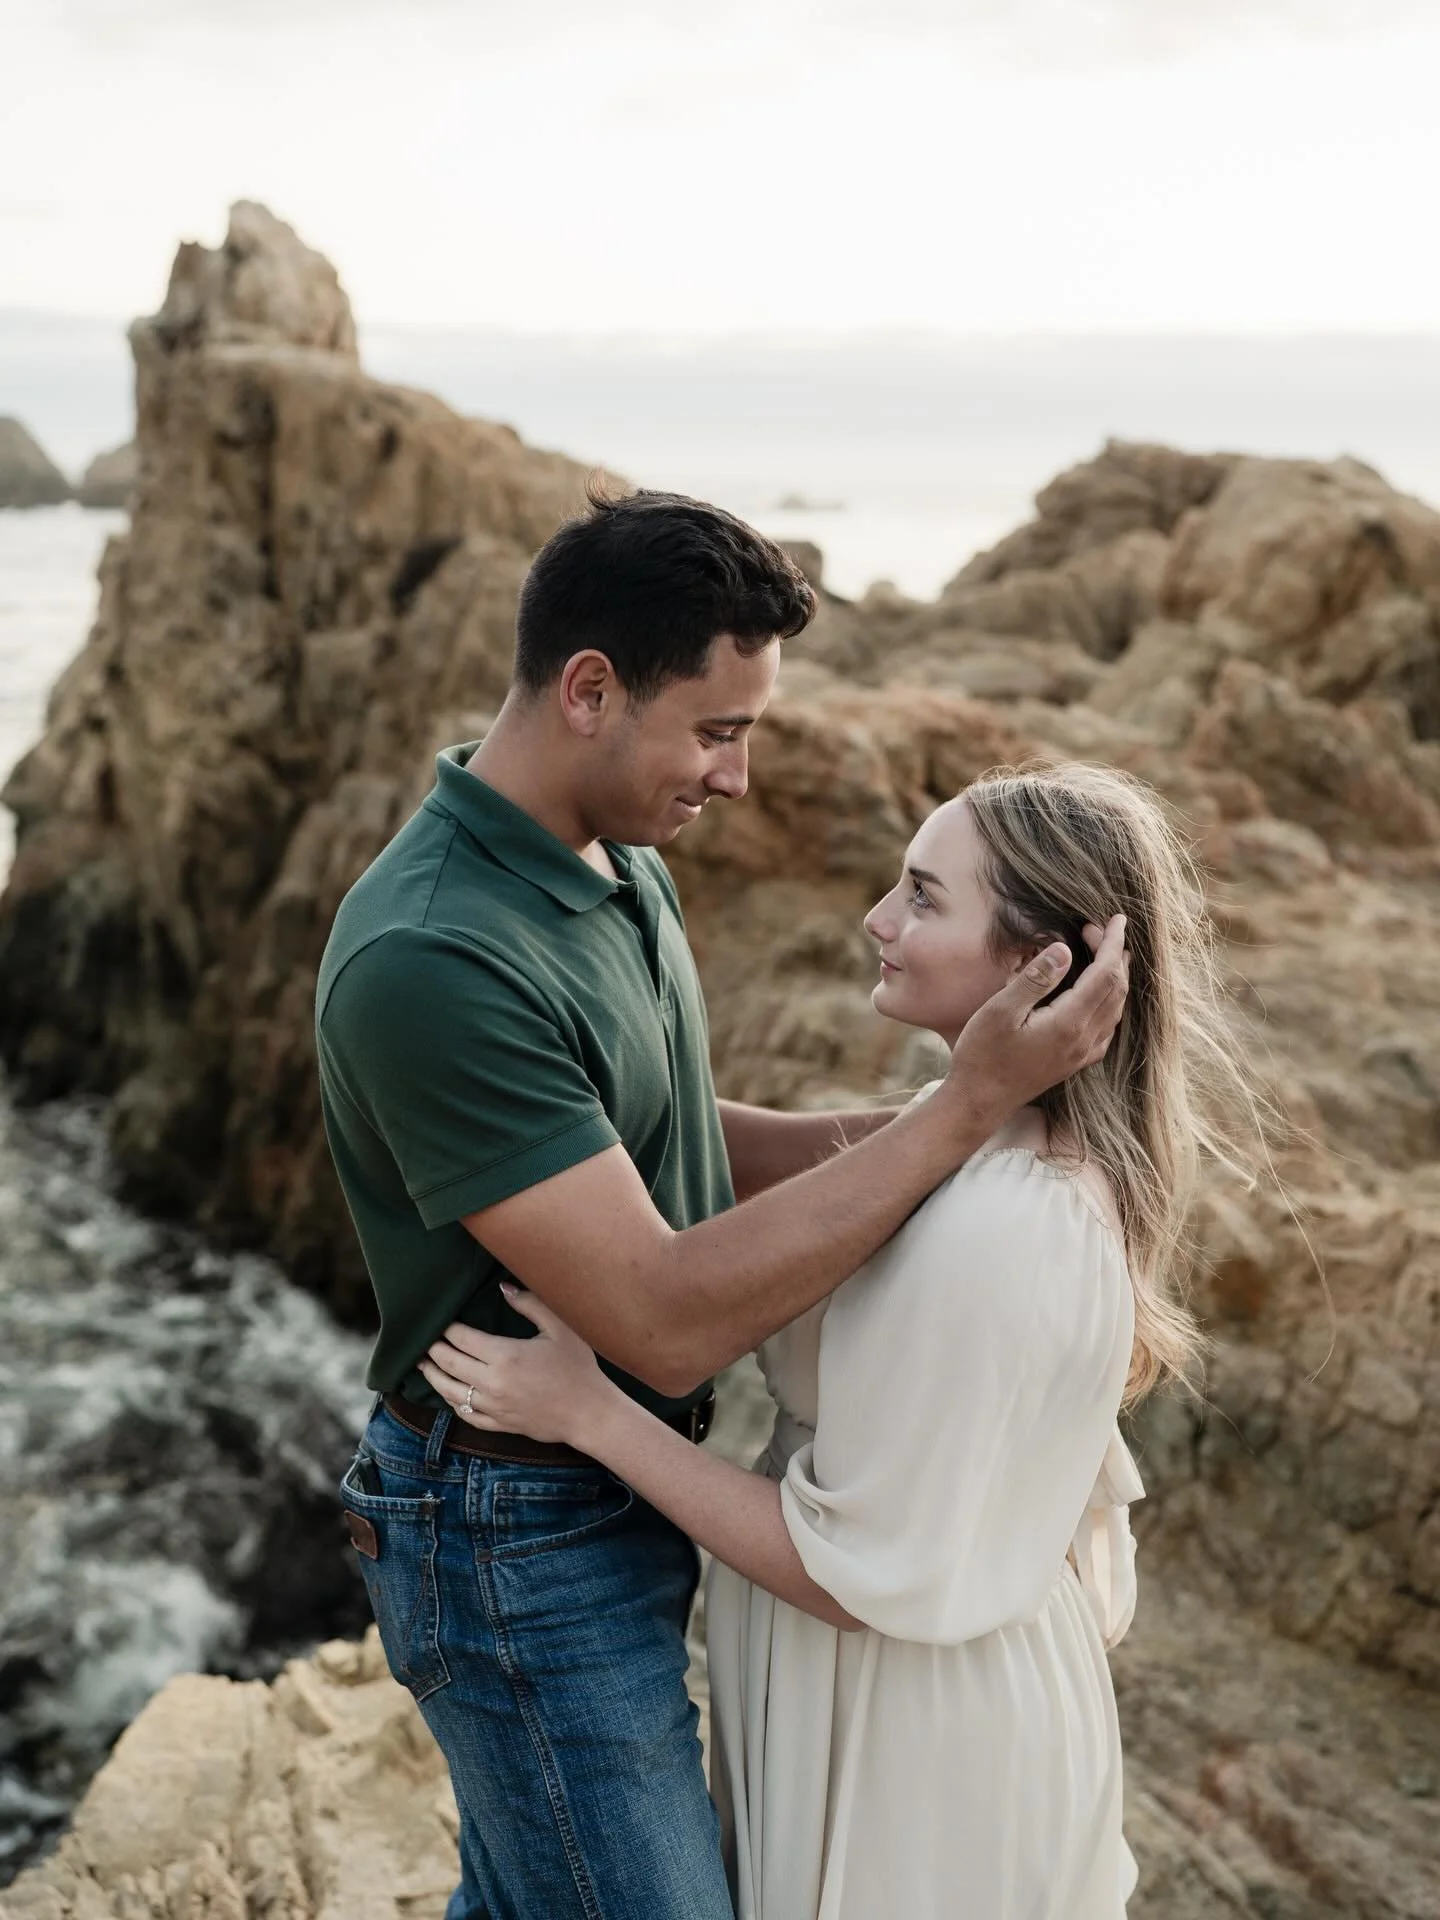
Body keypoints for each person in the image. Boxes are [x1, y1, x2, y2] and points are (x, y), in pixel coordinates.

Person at [317, 484, 1129, 1920]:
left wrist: (976, 1132)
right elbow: (663, 1319)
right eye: (718, 731)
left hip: (605, 1492)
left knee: (536, 1893)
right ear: (588, 690)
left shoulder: (616, 856)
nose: (737, 778)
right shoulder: (433, 957)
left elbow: (677, 1137)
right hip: (509, 1526)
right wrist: (958, 1111)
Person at [421, 760, 1251, 1919]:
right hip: (875, 1692)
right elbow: (777, 1159)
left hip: (919, 1741)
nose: (877, 918)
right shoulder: (972, 1127)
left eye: (922, 895)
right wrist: (524, 1108)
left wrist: (586, 1413)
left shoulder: (1011, 1224)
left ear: (1038, 967)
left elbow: (850, 1572)